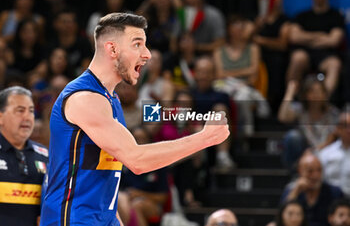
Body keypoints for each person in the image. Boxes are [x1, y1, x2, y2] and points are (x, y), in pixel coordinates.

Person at [40, 12, 229, 226]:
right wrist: (204, 138)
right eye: (137, 45)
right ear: (112, 49)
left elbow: (105, 185)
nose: (147, 54)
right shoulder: (85, 98)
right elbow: (137, 160)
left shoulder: (111, 99)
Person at [0, 86, 48, 226]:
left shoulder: (46, 156)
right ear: (1, 117)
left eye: (31, 111)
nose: (27, 117)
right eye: (20, 111)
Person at [286, 0, 345, 96]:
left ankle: (324, 102)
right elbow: (294, 37)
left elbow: (334, 40)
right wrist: (320, 35)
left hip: (326, 55)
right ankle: (293, 98)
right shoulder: (302, 16)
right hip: (305, 54)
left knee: (334, 64)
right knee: (298, 58)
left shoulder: (336, 16)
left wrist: (306, 38)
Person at [278, 75, 339, 170]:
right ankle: (295, 174)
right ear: (306, 94)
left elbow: (332, 138)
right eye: (312, 91)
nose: (316, 95)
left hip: (326, 151)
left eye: (319, 91)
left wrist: (316, 151)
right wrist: (290, 92)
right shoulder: (300, 110)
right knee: (292, 136)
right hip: (304, 152)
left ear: (325, 94)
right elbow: (283, 117)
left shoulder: (332, 113)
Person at [281, 153, 344, 226]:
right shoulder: (292, 190)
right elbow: (281, 216)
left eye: (319, 170)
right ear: (300, 171)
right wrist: (296, 191)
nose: (316, 175)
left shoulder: (334, 192)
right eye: (310, 171)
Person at [318, 111, 350, 197]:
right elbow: (320, 179)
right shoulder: (325, 153)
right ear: (337, 129)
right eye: (345, 126)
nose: (348, 130)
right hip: (330, 200)